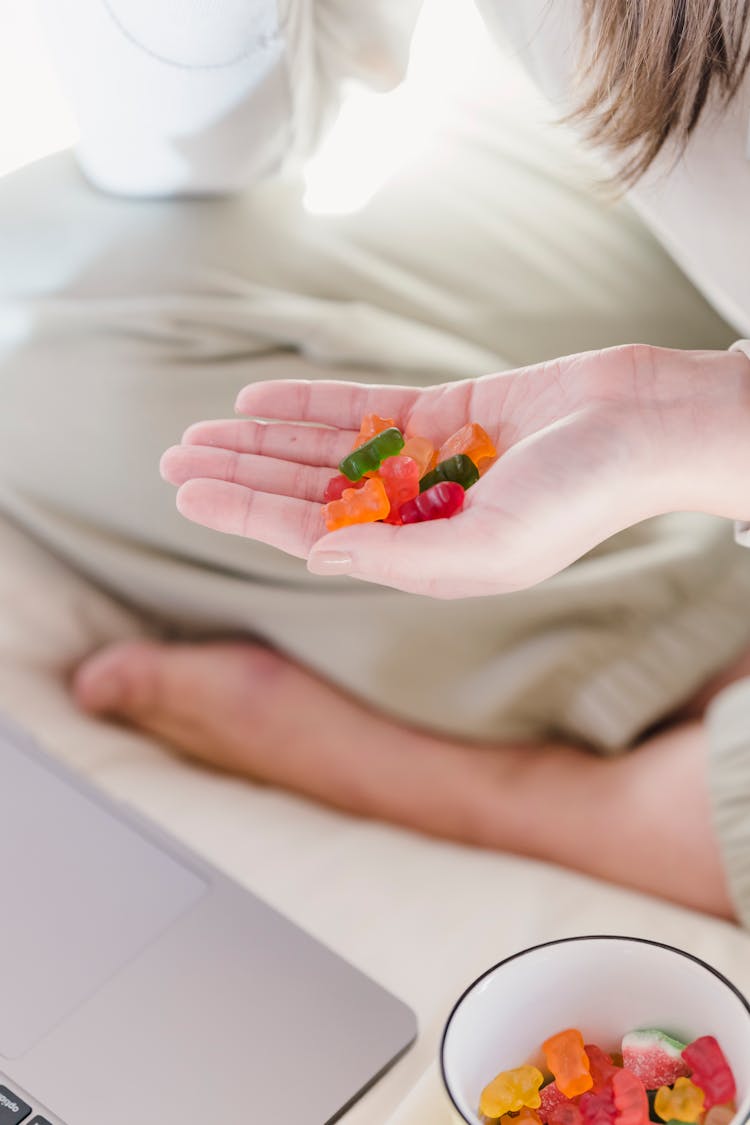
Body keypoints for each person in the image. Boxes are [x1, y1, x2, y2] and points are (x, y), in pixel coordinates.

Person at [3, 1, 750, 925]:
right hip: (681, 140)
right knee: (30, 301)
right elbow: (222, 128)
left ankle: (522, 774)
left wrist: (701, 437)